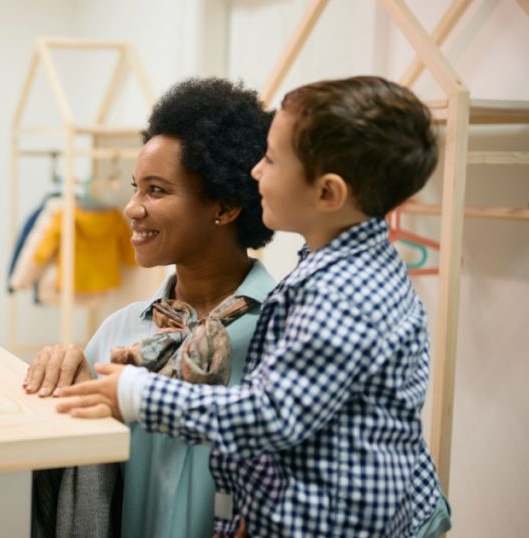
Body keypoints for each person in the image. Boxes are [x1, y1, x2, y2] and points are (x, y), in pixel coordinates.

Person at [58, 76, 451, 537]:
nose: (256, 172)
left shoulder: (337, 297)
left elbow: (271, 415)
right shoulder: (334, 276)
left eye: (269, 159)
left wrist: (137, 394)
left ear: (328, 194)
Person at [23, 78, 276, 537]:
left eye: (156, 191)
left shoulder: (289, 332)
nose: (132, 209)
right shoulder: (119, 331)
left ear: (225, 205)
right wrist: (62, 371)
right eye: (136, 188)